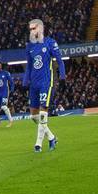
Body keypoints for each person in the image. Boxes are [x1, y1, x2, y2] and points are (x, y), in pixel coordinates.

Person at [22, 19, 65, 153]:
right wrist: (24, 83)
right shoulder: (29, 46)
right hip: (34, 84)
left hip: (46, 82)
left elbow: (59, 60)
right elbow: (29, 67)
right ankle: (51, 137)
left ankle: (38, 144)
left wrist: (62, 77)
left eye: (34, 28)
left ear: (41, 28)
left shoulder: (50, 42)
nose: (32, 31)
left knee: (42, 113)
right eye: (30, 29)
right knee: (34, 116)